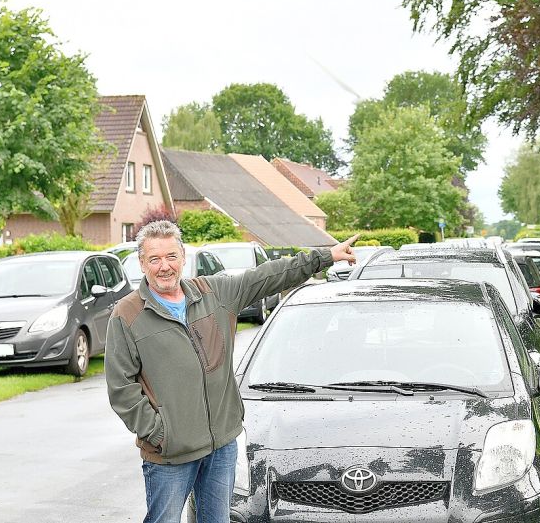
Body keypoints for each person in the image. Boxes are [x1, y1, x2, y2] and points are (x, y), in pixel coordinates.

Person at [105, 220, 357, 523]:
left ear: (184, 257)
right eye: (154, 259)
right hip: (170, 454)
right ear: (142, 264)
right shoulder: (128, 313)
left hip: (221, 446)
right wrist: (160, 433)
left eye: (171, 256)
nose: (164, 267)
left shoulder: (215, 293)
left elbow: (268, 275)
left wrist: (325, 256)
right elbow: (121, 386)